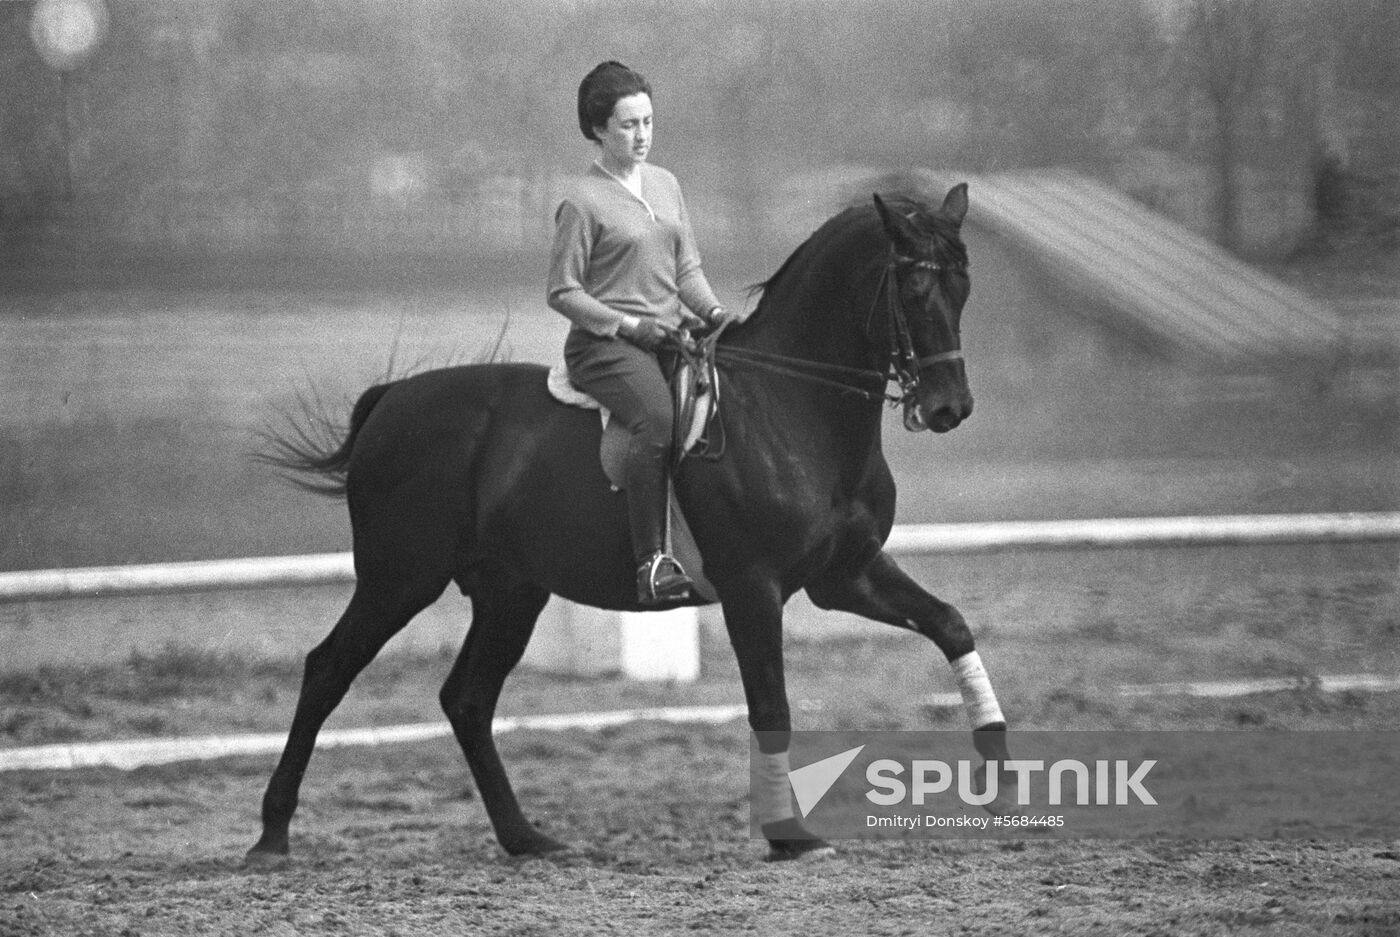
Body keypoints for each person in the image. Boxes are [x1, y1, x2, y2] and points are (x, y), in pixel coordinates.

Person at [548, 61, 736, 605]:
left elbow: (687, 273)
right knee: (657, 419)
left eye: (648, 122)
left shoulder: (666, 184)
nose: (642, 136)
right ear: (599, 130)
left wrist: (718, 315)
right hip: (606, 347)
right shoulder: (581, 202)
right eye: (628, 125)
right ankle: (652, 562)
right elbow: (563, 291)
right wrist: (631, 325)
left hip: (670, 336)